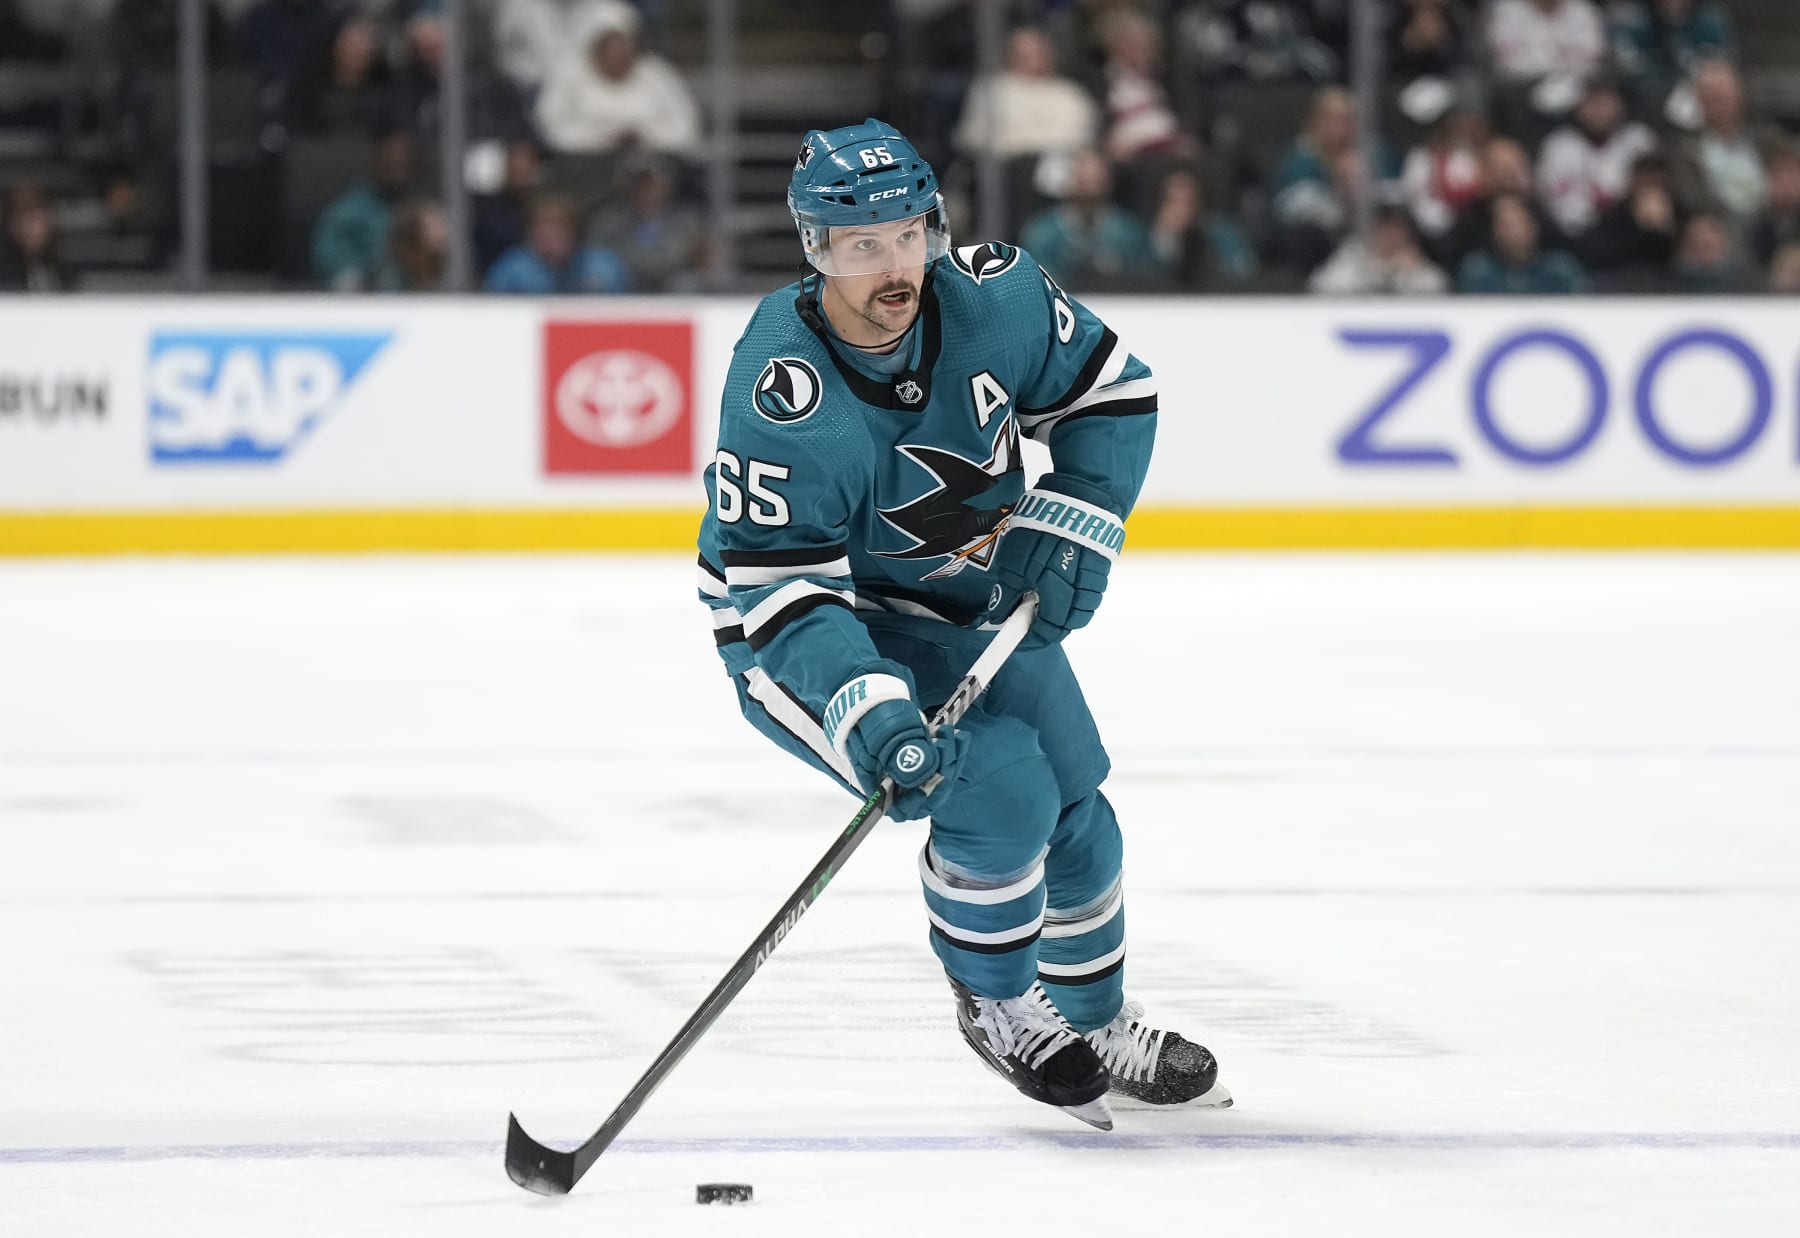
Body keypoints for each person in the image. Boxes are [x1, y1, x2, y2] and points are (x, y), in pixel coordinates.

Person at [695, 118, 1228, 1131]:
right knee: (998, 783)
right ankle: (996, 999)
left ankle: (1098, 1016)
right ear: (815, 250)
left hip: (954, 600)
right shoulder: (779, 389)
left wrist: (1074, 517)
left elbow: (1114, 392)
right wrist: (864, 701)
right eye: (860, 246)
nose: (891, 266)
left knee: (1077, 789)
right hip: (802, 628)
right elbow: (784, 591)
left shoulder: (997, 297)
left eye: (907, 235)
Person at [484, 191, 629, 292]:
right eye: (543, 233)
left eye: (559, 230)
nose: (551, 240)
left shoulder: (604, 268)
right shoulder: (511, 271)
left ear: (575, 232)